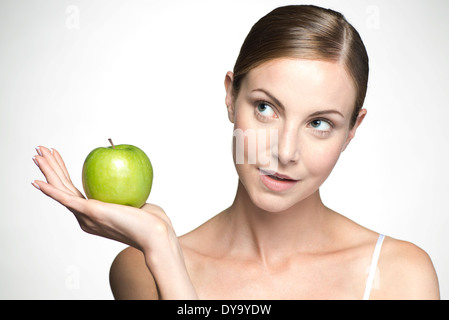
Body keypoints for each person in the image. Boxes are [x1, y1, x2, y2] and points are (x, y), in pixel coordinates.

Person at [31, 5, 439, 299]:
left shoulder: (399, 275)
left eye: (319, 123)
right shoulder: (141, 269)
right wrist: (162, 249)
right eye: (265, 108)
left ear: (352, 129)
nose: (284, 151)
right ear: (230, 96)